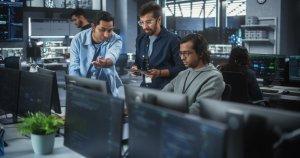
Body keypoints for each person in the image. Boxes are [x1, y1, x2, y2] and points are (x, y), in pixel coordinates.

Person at [162, 33, 225, 115]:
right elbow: (162, 95)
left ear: (201, 53)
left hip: (193, 125)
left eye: (187, 53)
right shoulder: (183, 74)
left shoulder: (214, 77)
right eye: (181, 53)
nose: (182, 57)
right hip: (178, 121)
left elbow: (197, 110)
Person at [130, 1, 185, 89]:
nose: (144, 27)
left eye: (148, 22)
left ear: (159, 20)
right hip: (146, 87)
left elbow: (182, 68)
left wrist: (160, 73)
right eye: (142, 22)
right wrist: (135, 68)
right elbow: (138, 62)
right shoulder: (140, 39)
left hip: (166, 90)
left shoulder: (173, 40)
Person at [69, 11, 122, 97]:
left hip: (106, 88)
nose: (106, 35)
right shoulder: (78, 39)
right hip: (83, 87)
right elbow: (74, 66)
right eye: (102, 30)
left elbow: (113, 55)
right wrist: (77, 87)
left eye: (110, 30)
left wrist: (106, 62)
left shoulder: (115, 39)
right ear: (93, 27)